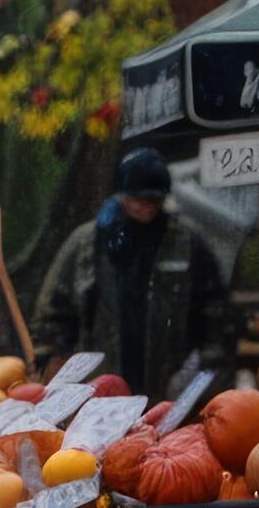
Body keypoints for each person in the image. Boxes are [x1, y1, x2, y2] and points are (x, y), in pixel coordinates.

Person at [39, 147, 237, 401]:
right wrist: (57, 372)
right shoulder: (87, 243)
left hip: (168, 390)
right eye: (138, 199)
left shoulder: (188, 244)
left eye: (153, 200)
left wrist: (199, 381)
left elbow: (216, 318)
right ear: (122, 195)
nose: (146, 207)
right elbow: (54, 313)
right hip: (98, 392)